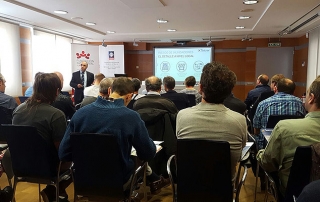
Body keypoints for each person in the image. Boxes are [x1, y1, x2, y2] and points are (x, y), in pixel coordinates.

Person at [59, 77, 169, 194]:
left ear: (110, 90)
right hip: (118, 181)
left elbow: (63, 154)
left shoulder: (80, 114)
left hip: (82, 180)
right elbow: (148, 153)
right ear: (129, 96)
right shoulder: (131, 117)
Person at [176, 61, 247, 181]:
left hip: (188, 186)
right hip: (223, 188)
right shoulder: (239, 120)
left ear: (201, 88)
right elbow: (241, 149)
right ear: (229, 90)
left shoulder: (182, 115)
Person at [257, 78, 320, 197]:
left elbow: (267, 163)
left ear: (311, 97)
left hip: (294, 194)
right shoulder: (297, 104)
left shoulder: (283, 127)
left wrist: (260, 153)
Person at [13, 73, 71, 202]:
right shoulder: (56, 115)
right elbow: (61, 151)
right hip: (47, 169)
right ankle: (52, 191)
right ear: (57, 91)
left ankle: (57, 193)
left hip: (19, 166)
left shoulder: (18, 110)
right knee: (79, 161)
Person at [253, 78, 306, 150]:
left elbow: (256, 130)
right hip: (293, 146)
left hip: (267, 147)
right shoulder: (300, 104)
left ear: (275, 89)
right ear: (293, 91)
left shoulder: (263, 104)